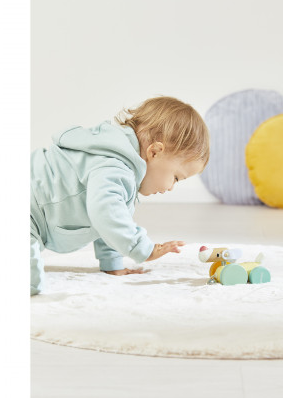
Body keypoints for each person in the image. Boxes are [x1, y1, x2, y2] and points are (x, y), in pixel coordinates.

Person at [30, 96, 210, 295]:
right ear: (155, 152)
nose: (171, 188)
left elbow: (108, 221)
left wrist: (112, 263)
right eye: (176, 177)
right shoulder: (115, 167)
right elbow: (106, 212)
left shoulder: (119, 164)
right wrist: (143, 248)